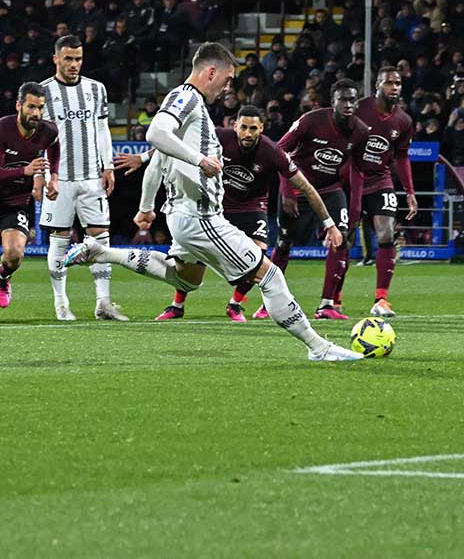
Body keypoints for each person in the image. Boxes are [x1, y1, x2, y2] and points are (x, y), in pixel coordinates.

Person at [64, 42, 361, 362]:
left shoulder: (185, 102)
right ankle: (319, 347)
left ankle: (101, 251)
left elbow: (157, 159)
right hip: (200, 216)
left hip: (181, 215)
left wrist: (147, 207)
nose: (228, 86)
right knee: (270, 275)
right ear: (211, 71)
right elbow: (155, 134)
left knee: (184, 278)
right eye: (228, 78)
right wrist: (200, 160)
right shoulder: (188, 98)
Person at [116, 105, 344, 322]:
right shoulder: (217, 137)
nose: (247, 133)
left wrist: (329, 223)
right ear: (235, 126)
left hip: (252, 206)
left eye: (253, 128)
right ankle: (177, 305)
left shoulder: (272, 151)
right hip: (217, 204)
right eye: (243, 127)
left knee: (258, 254)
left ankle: (235, 304)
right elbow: (176, 142)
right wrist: (144, 158)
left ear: (261, 128)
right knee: (192, 255)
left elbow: (306, 187)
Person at [253, 78, 368, 321]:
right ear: (333, 102)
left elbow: (358, 171)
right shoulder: (311, 120)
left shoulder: (360, 131)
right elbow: (279, 151)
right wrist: (288, 190)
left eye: (352, 99)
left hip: (330, 189)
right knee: (284, 244)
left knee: (341, 239)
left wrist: (355, 208)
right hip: (299, 188)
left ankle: (326, 305)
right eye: (343, 99)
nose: (348, 104)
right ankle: (269, 304)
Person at [39, 35, 127, 321]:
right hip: (59, 178)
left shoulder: (95, 89)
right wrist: (43, 174)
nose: (74, 64)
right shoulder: (43, 92)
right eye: (68, 59)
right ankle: (61, 304)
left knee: (101, 240)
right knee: (60, 240)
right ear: (56, 59)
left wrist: (109, 166)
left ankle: (103, 303)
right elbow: (38, 138)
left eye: (78, 59)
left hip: (92, 177)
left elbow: (102, 130)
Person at [353, 67, 417, 318]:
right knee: (345, 237)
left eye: (398, 83)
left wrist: (409, 191)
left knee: (386, 234)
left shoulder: (403, 121)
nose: (394, 87)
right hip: (353, 179)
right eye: (388, 82)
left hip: (381, 180)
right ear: (377, 85)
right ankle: (332, 302)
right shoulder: (358, 109)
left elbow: (402, 157)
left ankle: (381, 299)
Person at [0, 83, 60, 308]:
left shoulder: (48, 131)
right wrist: (25, 171)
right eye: (31, 107)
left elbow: (54, 146)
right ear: (19, 106)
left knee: (14, 254)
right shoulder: (3, 129)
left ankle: (3, 278)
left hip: (15, 202)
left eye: (40, 108)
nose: (36, 113)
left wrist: (53, 176)